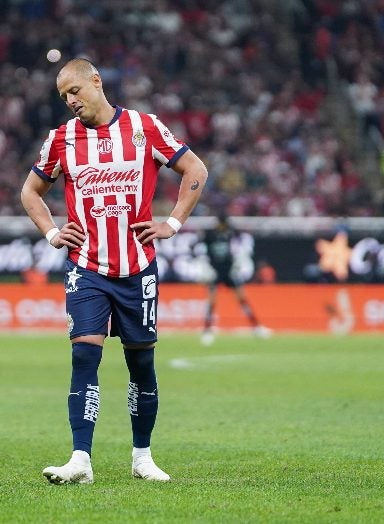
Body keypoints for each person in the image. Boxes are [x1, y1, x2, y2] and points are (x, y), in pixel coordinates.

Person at [20, 58, 208, 484]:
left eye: (75, 90)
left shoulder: (144, 128)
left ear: (96, 81)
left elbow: (195, 169)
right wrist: (51, 233)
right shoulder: (61, 140)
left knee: (141, 364)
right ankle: (80, 460)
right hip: (86, 267)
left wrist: (173, 222)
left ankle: (142, 457)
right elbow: (30, 191)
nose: (70, 101)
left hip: (137, 268)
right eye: (63, 96)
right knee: (84, 353)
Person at [201, 213, 271, 345]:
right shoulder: (209, 235)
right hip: (216, 271)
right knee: (211, 302)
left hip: (228, 271)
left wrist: (235, 266)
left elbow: (235, 250)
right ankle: (207, 330)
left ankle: (256, 327)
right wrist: (207, 268)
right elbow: (204, 252)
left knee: (242, 300)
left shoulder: (230, 233)